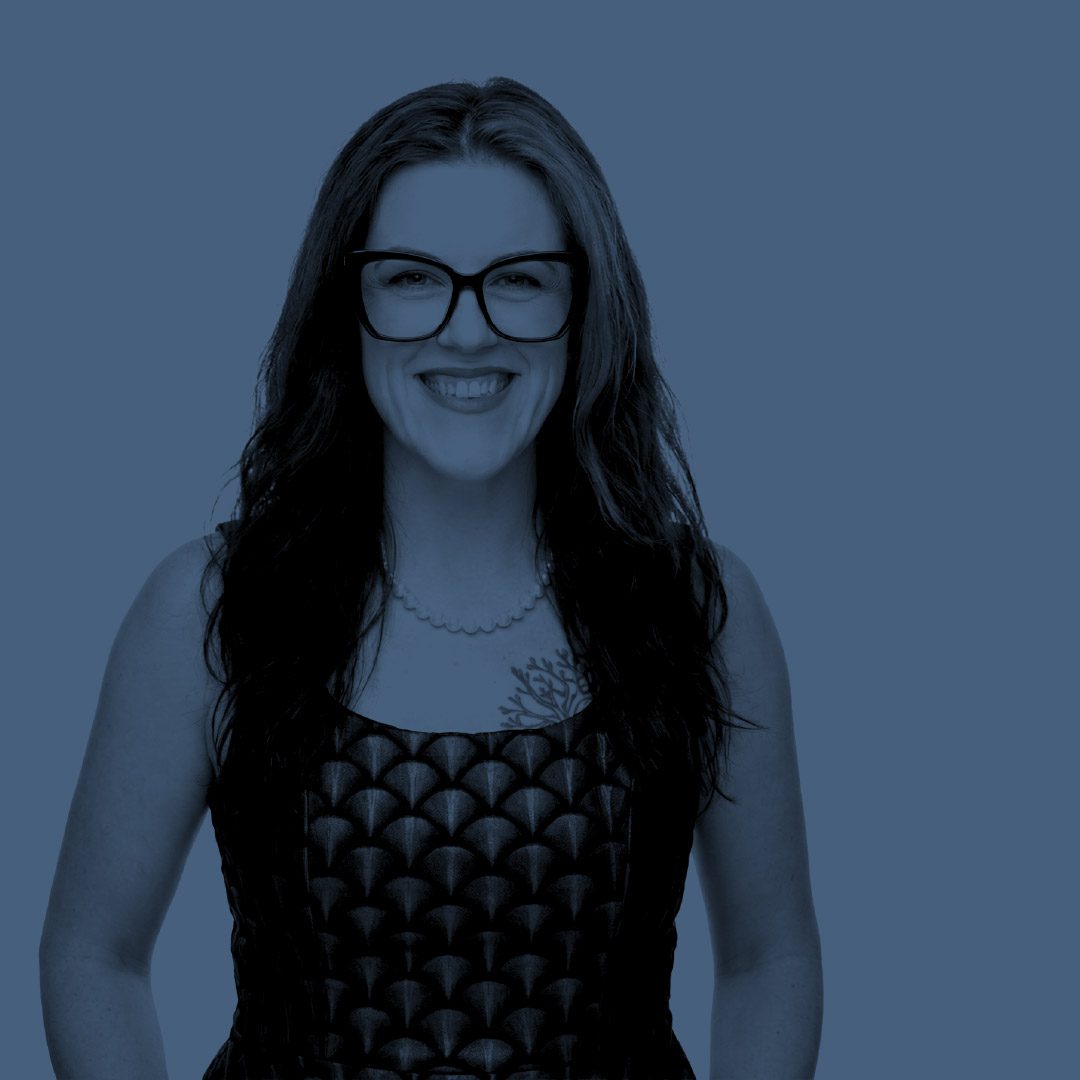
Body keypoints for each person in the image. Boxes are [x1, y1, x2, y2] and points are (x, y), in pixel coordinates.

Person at [39, 77, 822, 1079]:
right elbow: (94, 957)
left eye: (520, 279)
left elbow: (767, 960)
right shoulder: (206, 609)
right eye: (412, 277)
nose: (467, 330)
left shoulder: (701, 608)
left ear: (583, 306)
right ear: (348, 306)